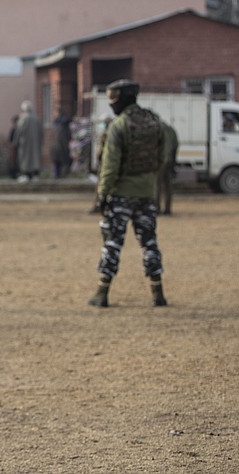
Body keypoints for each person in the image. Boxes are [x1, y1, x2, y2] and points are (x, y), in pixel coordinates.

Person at [87, 79, 168, 308]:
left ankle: (102, 292)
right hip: (147, 192)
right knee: (149, 242)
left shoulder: (119, 125)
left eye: (113, 99)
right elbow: (162, 157)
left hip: (121, 193)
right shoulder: (154, 122)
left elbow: (109, 166)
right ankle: (157, 292)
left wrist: (102, 195)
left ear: (121, 99)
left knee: (112, 243)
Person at [14, 100, 43, 182]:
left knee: (25, 159)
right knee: (35, 158)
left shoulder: (23, 119)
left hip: (25, 143)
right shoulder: (36, 119)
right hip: (35, 143)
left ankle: (26, 174)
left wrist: (16, 142)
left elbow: (18, 131)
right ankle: (35, 175)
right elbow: (41, 132)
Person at [158, 121, 179, 215]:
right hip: (170, 160)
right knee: (168, 186)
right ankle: (167, 209)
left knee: (157, 186)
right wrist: (174, 163)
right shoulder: (171, 130)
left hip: (159, 161)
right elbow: (176, 146)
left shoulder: (156, 129)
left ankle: (157, 208)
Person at [50, 107, 72, 178]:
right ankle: (60, 173)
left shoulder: (60, 124)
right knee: (60, 160)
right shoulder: (60, 123)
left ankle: (59, 173)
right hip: (59, 145)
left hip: (59, 145)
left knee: (59, 160)